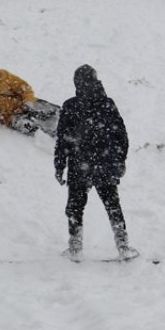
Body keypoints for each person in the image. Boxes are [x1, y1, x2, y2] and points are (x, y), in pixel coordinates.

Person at [54, 65, 135, 262]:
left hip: (78, 164)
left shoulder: (71, 106)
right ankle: (123, 245)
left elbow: (62, 139)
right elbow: (121, 136)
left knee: (75, 206)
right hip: (104, 163)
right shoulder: (107, 103)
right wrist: (119, 160)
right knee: (112, 204)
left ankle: (75, 247)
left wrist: (59, 165)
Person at [0, 57, 60, 137]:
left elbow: (24, 87)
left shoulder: (4, 76)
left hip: (24, 103)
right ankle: (57, 132)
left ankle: (67, 117)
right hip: (11, 117)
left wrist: (28, 100)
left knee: (52, 110)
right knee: (36, 128)